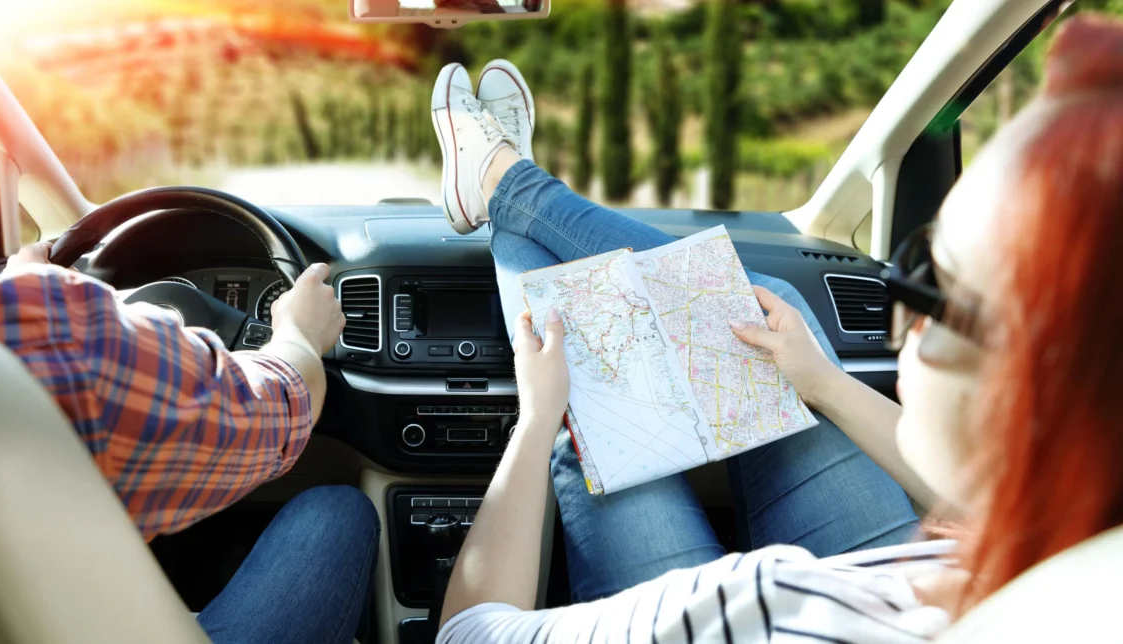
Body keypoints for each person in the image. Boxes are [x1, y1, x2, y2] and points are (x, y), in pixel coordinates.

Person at [433, 14, 1123, 642]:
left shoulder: (765, 603)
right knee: (759, 303)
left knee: (587, 390)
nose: (902, 315)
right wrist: (822, 383)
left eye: (931, 280)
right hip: (928, 571)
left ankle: (503, 185)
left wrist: (537, 417)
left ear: (1038, 390)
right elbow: (988, 491)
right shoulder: (1081, 552)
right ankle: (502, 184)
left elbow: (468, 633)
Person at [0, 2, 375, 642]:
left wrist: (5, 291)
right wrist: (298, 335)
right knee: (339, 513)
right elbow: (275, 410)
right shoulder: (41, 337)